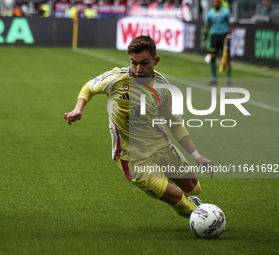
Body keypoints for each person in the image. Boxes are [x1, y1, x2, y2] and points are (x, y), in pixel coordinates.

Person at [64, 35, 213, 219]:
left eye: (144, 63)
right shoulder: (117, 79)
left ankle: (195, 207)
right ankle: (202, 219)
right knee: (176, 197)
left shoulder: (163, 88)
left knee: (193, 187)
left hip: (160, 145)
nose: (138, 69)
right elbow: (89, 87)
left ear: (156, 61)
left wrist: (197, 157)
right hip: (131, 156)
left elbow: (175, 123)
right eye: (134, 63)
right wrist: (78, 108)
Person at [203, 0, 233, 86]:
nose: (215, 4)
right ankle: (214, 78)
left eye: (217, 2)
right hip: (214, 36)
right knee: (212, 57)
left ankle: (228, 79)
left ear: (219, 3)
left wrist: (228, 36)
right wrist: (205, 39)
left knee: (226, 58)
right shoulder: (210, 13)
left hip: (224, 36)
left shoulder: (226, 12)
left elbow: (231, 25)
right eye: (214, 2)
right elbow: (207, 27)